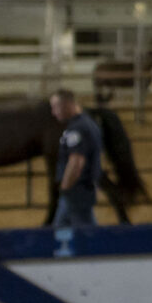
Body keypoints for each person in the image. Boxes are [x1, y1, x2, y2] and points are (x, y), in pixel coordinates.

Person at [49, 88, 101, 228]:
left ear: (67, 105)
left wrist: (65, 187)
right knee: (75, 228)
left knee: (77, 231)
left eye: (55, 107)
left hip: (76, 191)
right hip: (80, 191)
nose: (53, 113)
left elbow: (76, 162)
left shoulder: (78, 129)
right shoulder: (87, 123)